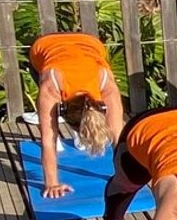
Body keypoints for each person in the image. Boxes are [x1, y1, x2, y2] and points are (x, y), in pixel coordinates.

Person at [29, 30, 126, 201]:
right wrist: (51, 183)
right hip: (45, 46)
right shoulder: (50, 87)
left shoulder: (106, 83)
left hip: (89, 44)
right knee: (46, 121)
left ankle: (78, 126)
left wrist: (126, 179)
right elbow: (48, 140)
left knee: (117, 129)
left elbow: (120, 139)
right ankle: (53, 118)